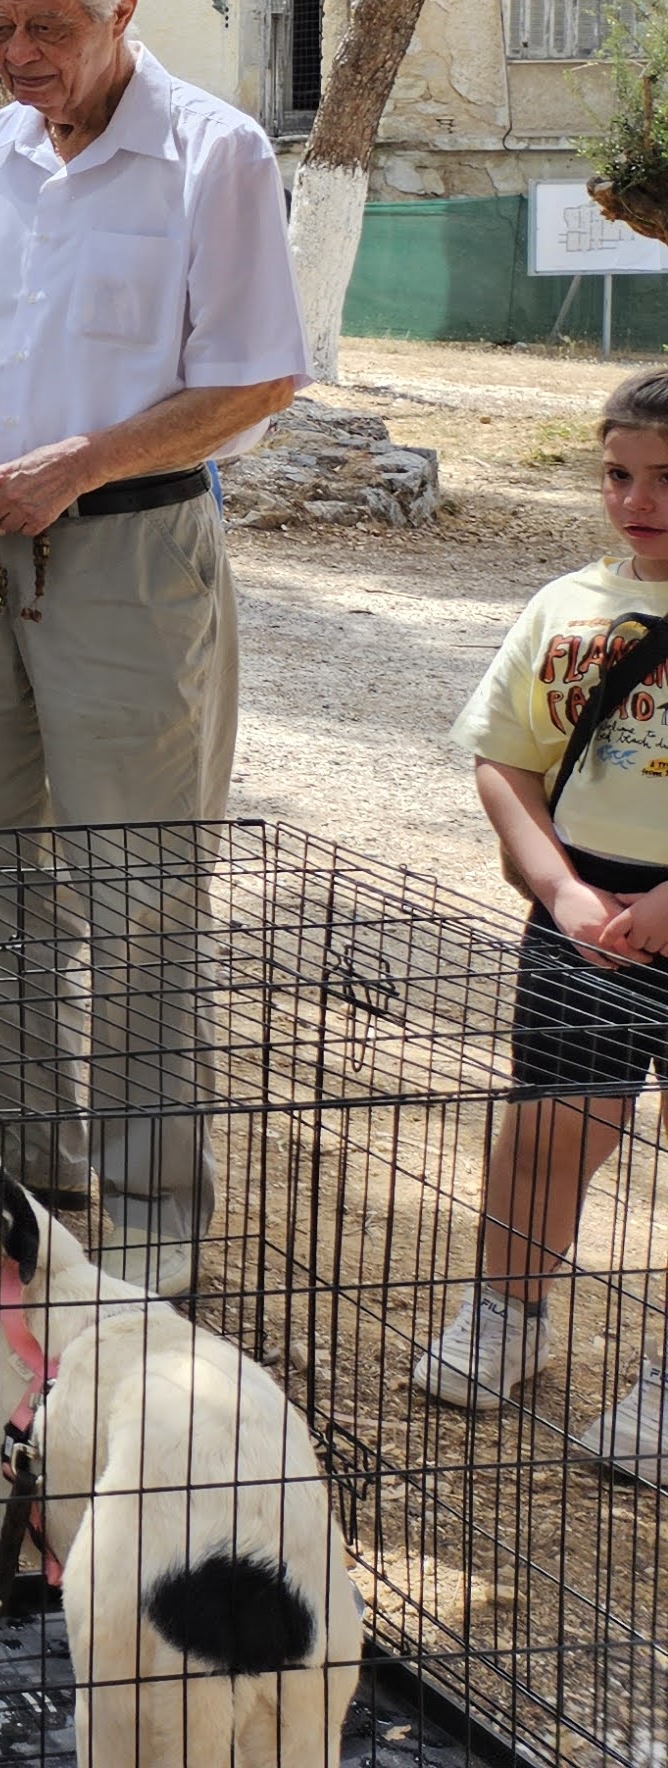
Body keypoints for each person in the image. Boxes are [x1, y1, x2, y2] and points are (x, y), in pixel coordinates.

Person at [0, 0, 306, 1297]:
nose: (15, 54)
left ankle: (154, 1212)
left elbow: (256, 379)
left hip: (129, 553)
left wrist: (83, 462)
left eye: (45, 27)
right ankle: (22, 1176)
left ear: (125, 14)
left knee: (140, 883)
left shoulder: (215, 156)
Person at [410, 368, 668, 1478]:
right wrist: (561, 891)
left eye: (663, 479)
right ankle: (504, 1315)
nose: (634, 500)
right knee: (554, 1122)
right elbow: (504, 763)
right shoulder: (565, 605)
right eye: (616, 474)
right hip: (587, 908)